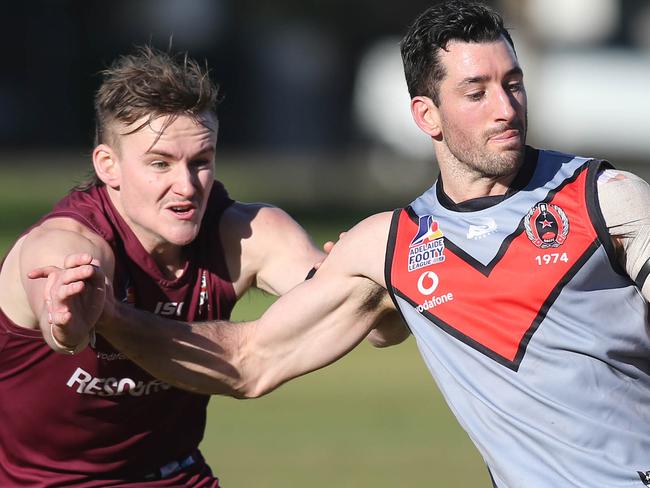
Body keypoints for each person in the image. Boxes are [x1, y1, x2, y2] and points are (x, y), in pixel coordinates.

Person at [32, 1, 650, 486]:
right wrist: (111, 317)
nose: (505, 107)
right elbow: (251, 360)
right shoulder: (394, 248)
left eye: (512, 83)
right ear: (426, 116)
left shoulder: (607, 198)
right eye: (476, 90)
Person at [0, 45, 405, 486]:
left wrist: (374, 285)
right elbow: (63, 326)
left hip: (176, 475)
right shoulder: (69, 243)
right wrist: (66, 316)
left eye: (201, 162)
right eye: (160, 164)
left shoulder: (246, 234)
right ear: (108, 165)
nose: (187, 186)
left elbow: (375, 325)